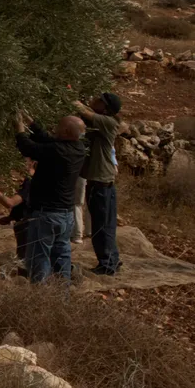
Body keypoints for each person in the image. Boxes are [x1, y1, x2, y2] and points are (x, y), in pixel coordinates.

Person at [14, 113, 88, 283]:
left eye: (59, 126)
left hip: (46, 215)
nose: (55, 128)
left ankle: (41, 297)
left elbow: (28, 148)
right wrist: (31, 121)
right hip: (65, 215)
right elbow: (47, 139)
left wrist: (19, 129)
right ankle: (62, 295)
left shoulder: (57, 151)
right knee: (62, 255)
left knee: (39, 258)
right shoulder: (78, 148)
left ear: (67, 131)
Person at [74, 92, 124, 275]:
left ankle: (107, 264)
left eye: (98, 100)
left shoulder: (108, 122)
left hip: (99, 183)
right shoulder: (106, 121)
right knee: (107, 225)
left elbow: (84, 111)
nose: (94, 100)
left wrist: (68, 96)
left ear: (105, 107)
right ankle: (112, 260)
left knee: (101, 226)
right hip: (104, 182)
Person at [0, 160, 36, 264]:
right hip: (27, 224)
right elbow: (25, 204)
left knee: (24, 261)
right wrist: (10, 217)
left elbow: (11, 203)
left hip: (27, 226)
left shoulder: (31, 182)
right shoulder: (31, 181)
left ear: (32, 163)